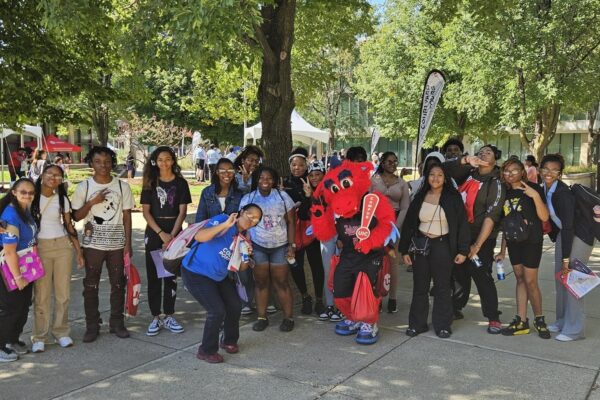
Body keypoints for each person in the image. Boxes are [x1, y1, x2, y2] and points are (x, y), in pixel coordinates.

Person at [311, 160, 395, 345]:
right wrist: (318, 213)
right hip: (348, 254)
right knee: (340, 289)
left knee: (365, 289)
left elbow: (387, 225)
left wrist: (371, 242)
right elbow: (325, 233)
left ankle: (369, 322)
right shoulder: (334, 208)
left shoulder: (373, 200)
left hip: (370, 255)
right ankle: (352, 317)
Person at [182, 205, 262, 363]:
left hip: (219, 276)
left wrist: (246, 255)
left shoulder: (245, 236)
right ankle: (206, 350)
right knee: (216, 311)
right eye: (250, 215)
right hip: (196, 272)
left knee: (234, 305)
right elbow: (200, 237)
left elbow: (240, 267)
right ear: (240, 212)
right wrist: (226, 225)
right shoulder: (222, 219)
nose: (252, 220)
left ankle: (228, 340)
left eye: (256, 219)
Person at [71, 146, 135, 343]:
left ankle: (117, 322)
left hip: (116, 244)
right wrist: (92, 203)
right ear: (91, 163)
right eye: (98, 162)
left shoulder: (122, 186)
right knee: (91, 285)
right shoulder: (85, 187)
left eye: (107, 162)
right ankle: (92, 325)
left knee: (118, 284)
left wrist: (128, 243)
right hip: (93, 245)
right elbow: (75, 216)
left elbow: (126, 217)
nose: (103, 166)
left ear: (112, 163)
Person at [400, 163, 470, 339]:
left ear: (445, 178)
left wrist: (463, 250)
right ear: (427, 177)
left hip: (443, 246)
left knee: (442, 287)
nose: (436, 178)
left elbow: (462, 225)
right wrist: (404, 250)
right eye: (432, 174)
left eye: (440, 175)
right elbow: (409, 224)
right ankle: (417, 324)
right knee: (420, 287)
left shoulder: (453, 198)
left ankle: (442, 325)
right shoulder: (420, 196)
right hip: (421, 246)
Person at [443, 144, 505, 333]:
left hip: (482, 237)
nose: (483, 154)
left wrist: (477, 245)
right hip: (460, 233)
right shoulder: (468, 172)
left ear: (496, 157)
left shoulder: (496, 182)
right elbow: (442, 170)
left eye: (488, 152)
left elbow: (491, 217)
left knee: (481, 274)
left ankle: (493, 316)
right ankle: (455, 308)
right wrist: (465, 160)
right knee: (458, 272)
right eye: (480, 151)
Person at [29, 165, 84, 353]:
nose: (53, 178)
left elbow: (69, 225)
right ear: (42, 175)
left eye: (58, 176)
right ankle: (39, 336)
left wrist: (78, 251)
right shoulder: (31, 195)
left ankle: (61, 331)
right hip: (39, 247)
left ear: (61, 180)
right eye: (50, 174)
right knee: (42, 295)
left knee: (63, 294)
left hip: (61, 246)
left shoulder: (62, 198)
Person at [494, 158, 550, 339]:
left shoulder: (534, 189)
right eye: (506, 171)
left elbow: (544, 217)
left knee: (531, 281)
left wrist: (534, 195)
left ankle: (540, 319)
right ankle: (522, 321)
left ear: (522, 172)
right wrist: (502, 250)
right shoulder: (504, 193)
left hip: (532, 241)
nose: (510, 174)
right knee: (519, 279)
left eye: (514, 170)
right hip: (514, 242)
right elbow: (505, 224)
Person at [541, 154, 596, 342]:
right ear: (540, 169)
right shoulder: (546, 189)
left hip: (579, 237)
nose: (549, 173)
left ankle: (575, 330)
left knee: (572, 280)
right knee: (560, 279)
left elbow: (569, 226)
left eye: (554, 170)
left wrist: (566, 258)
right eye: (546, 168)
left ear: (560, 173)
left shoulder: (562, 193)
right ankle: (562, 320)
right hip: (564, 236)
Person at [141, 147, 191, 337]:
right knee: (154, 276)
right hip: (155, 233)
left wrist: (172, 235)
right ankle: (156, 316)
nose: (164, 163)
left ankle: (169, 314)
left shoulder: (181, 183)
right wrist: (161, 233)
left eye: (168, 159)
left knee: (170, 275)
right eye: (160, 159)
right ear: (155, 161)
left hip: (175, 233)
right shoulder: (150, 182)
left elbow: (182, 211)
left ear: (173, 161)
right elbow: (146, 211)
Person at [240, 166, 296, 332]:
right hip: (258, 246)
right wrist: (246, 245)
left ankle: (288, 318)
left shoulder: (282, 197)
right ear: (256, 179)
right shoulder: (248, 198)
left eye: (269, 178)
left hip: (280, 246)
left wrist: (292, 245)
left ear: (274, 180)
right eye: (261, 178)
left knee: (281, 282)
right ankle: (262, 317)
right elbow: (243, 225)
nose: (265, 181)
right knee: (261, 282)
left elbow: (291, 222)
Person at [284, 148, 326, 317]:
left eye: (301, 165)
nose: (297, 168)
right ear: (290, 166)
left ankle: (319, 299)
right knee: (295, 265)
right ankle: (305, 296)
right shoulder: (283, 182)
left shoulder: (312, 181)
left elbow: (319, 205)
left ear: (306, 166)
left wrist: (310, 195)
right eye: (294, 165)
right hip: (293, 230)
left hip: (312, 230)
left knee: (317, 265)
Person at [0, 178, 37, 362]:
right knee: (11, 308)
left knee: (22, 307)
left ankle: (12, 340)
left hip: (26, 265)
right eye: (23, 192)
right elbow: (9, 251)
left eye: (31, 192)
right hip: (11, 268)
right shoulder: (11, 215)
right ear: (14, 192)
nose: (27, 195)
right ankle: (2, 345)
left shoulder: (25, 210)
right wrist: (18, 277)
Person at [370, 151, 410, 313]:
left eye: (395, 162)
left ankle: (392, 297)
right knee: (376, 262)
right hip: (375, 225)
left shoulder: (402, 183)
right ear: (382, 162)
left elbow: (405, 206)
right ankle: (377, 295)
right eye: (389, 162)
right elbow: (367, 202)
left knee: (392, 262)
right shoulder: (373, 180)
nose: (392, 164)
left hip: (394, 225)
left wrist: (396, 227)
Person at [307, 160, 343, 321]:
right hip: (325, 237)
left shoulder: (333, 188)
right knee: (328, 271)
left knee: (341, 272)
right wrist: (310, 197)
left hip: (340, 236)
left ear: (324, 174)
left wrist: (342, 236)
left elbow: (343, 213)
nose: (315, 178)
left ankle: (342, 306)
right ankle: (330, 305)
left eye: (318, 175)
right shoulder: (311, 193)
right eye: (311, 175)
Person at [196, 158, 243, 223]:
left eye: (230, 170)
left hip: (232, 232)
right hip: (211, 232)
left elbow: (241, 220)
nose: (227, 174)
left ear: (234, 172)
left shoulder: (239, 194)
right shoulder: (207, 192)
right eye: (222, 171)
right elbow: (200, 219)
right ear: (217, 172)